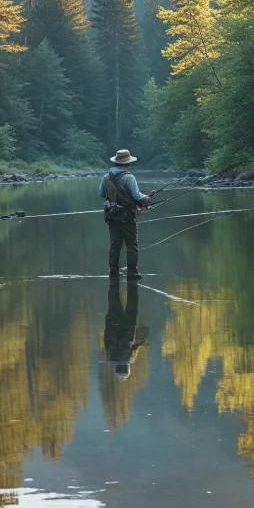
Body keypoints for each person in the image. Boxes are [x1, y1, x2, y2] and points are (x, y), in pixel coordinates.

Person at [99, 149, 156, 280]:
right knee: (132, 245)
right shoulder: (129, 177)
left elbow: (101, 193)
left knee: (114, 244)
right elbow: (137, 196)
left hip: (111, 215)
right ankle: (132, 273)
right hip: (127, 216)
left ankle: (113, 272)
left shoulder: (106, 177)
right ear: (127, 163)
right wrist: (147, 198)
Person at [103, 280, 147, 380]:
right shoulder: (110, 358)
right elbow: (106, 340)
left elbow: (134, 347)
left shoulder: (129, 359)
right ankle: (114, 275)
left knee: (132, 298)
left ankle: (133, 280)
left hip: (128, 326)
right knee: (114, 297)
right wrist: (107, 323)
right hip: (113, 324)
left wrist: (142, 341)